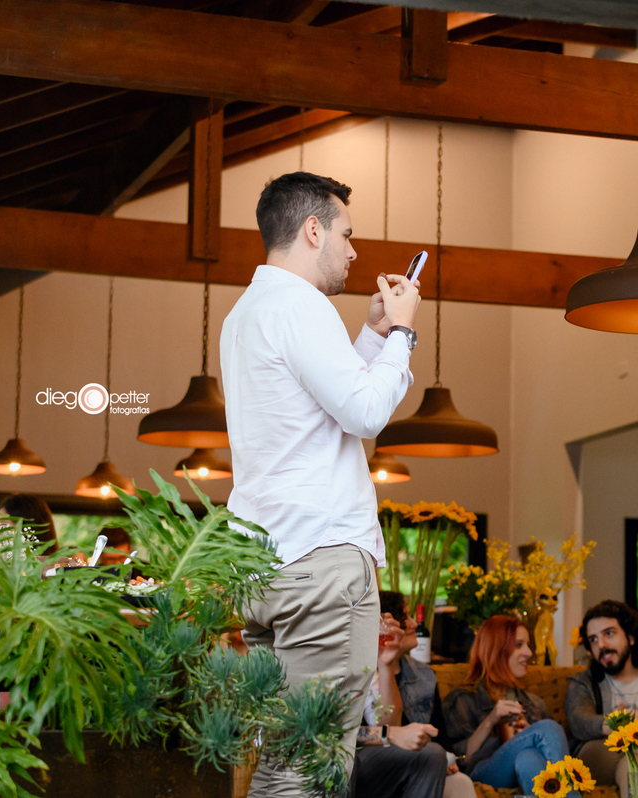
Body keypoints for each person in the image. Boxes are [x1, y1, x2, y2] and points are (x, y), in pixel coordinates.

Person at [220, 172, 421, 798]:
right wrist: (404, 334)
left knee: (283, 761)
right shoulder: (303, 306)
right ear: (313, 230)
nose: (353, 252)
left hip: (266, 568)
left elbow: (323, 405)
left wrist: (374, 336)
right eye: (346, 234)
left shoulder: (246, 313)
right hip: (322, 565)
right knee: (312, 767)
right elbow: (364, 412)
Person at [355, 592, 475, 798]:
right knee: (431, 755)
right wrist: (392, 735)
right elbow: (338, 734)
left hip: (408, 760)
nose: (413, 624)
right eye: (405, 616)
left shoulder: (421, 673)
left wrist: (385, 665)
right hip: (357, 763)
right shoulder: (349, 666)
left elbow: (390, 723)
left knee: (458, 780)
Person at [444, 616, 579, 797]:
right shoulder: (462, 700)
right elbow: (459, 762)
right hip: (484, 772)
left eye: (528, 645)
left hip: (527, 769)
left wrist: (529, 735)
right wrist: (490, 721)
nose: (529, 653)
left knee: (528, 758)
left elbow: (556, 751)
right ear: (496, 649)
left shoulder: (534, 703)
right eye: (519, 645)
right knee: (548, 728)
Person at [566, 600, 638, 798]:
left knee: (632, 762)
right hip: (597, 756)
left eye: (609, 633)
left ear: (631, 637)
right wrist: (613, 725)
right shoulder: (583, 681)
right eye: (593, 639)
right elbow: (579, 720)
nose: (601, 645)